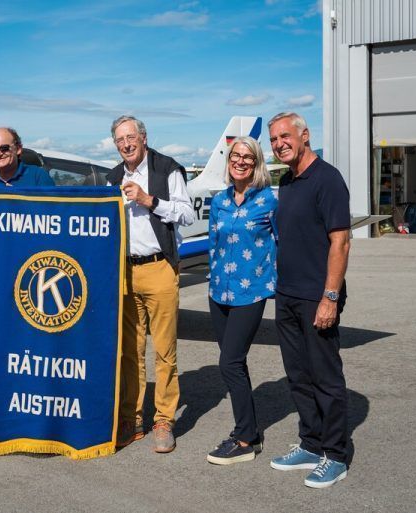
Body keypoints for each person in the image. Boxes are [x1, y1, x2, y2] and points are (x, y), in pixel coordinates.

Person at [267, 112, 351, 488]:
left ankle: (336, 454)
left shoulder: (327, 179)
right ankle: (311, 443)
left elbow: (341, 241)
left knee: (325, 377)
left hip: (317, 297)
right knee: (298, 376)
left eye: (285, 136)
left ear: (304, 135)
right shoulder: (286, 181)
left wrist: (329, 297)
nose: (279, 143)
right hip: (286, 295)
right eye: (273, 139)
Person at [107, 115, 194, 453]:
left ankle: (164, 419)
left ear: (143, 137)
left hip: (159, 268)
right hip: (125, 272)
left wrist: (149, 200)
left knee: (165, 350)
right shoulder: (114, 177)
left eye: (130, 137)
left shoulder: (167, 169)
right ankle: (132, 419)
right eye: (119, 140)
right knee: (129, 351)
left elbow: (187, 215)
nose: (126, 144)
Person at [205, 136, 277, 465]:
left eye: (248, 157)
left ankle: (245, 438)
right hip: (219, 292)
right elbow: (214, 244)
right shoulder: (219, 201)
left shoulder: (269, 201)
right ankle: (250, 431)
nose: (241, 161)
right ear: (229, 159)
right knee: (236, 362)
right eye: (236, 155)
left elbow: (285, 242)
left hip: (251, 292)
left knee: (229, 362)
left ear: (257, 163)